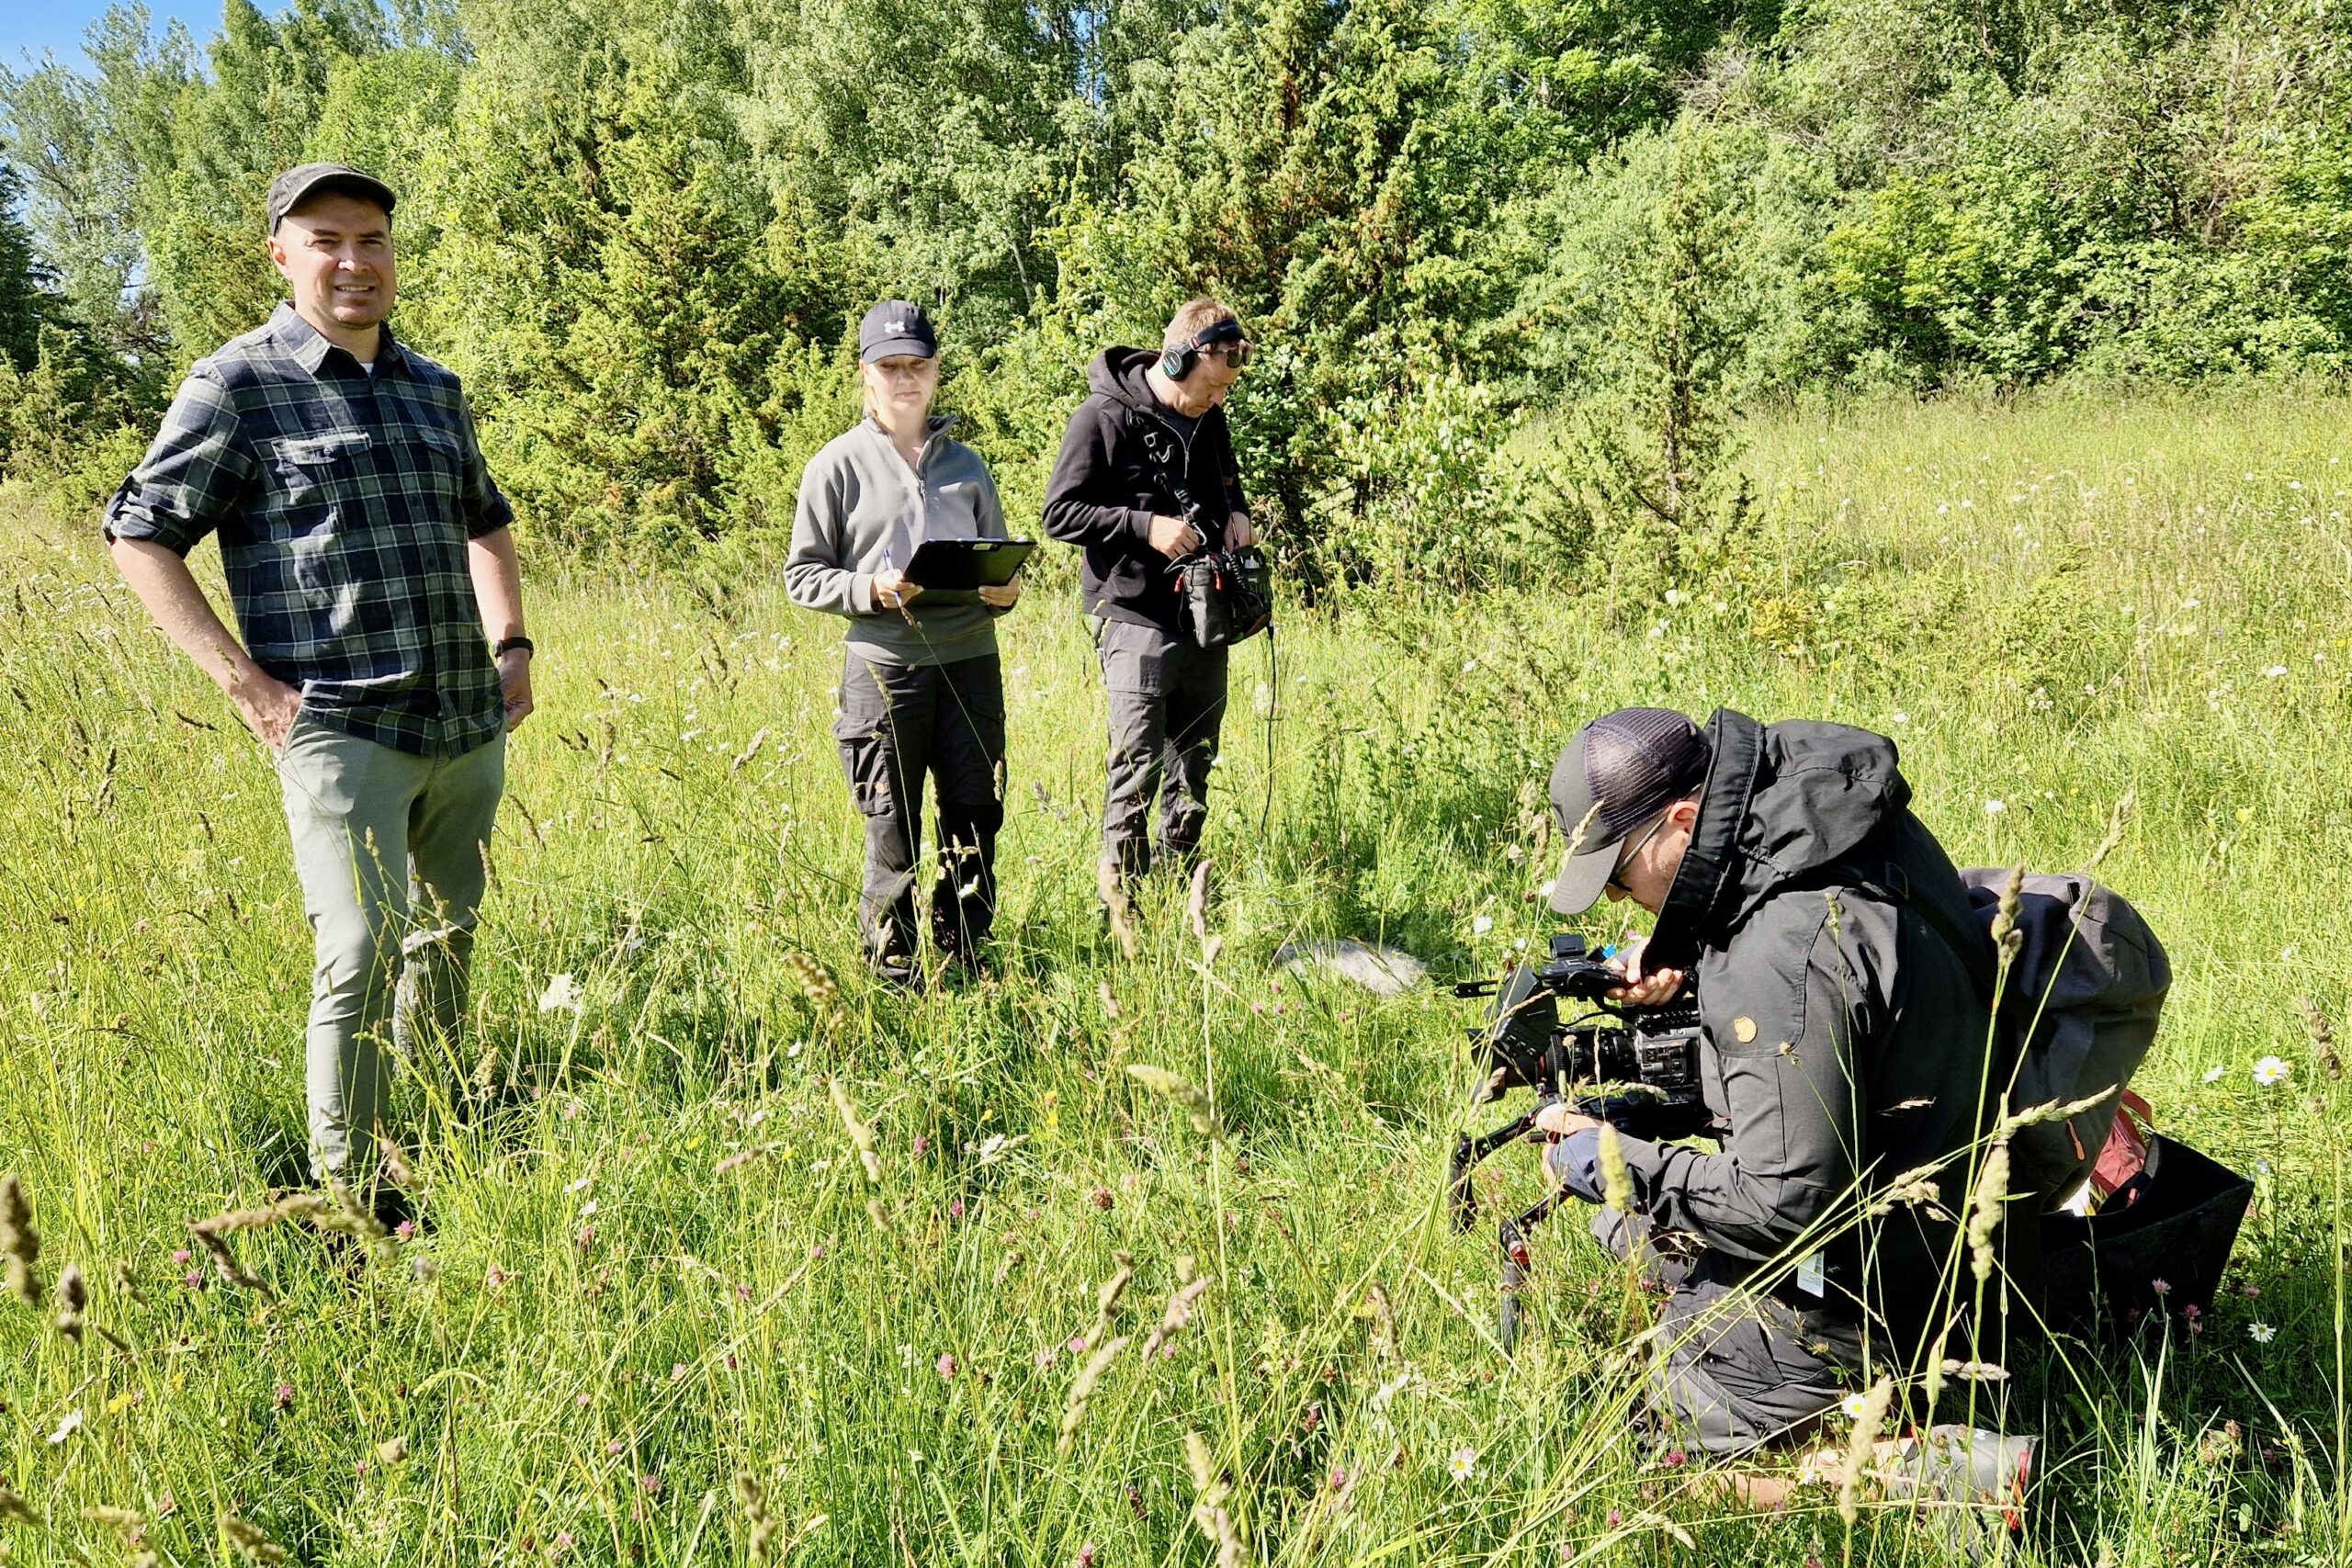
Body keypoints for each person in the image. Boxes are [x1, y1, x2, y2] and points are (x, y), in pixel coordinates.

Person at [104, 164, 530, 1213]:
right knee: (360, 951)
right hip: (341, 726)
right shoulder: (236, 384)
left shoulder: (434, 388)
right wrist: (247, 688)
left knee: (447, 939)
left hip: (464, 720)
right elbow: (139, 534)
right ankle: (354, 1204)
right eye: (326, 240)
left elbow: (485, 519)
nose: (354, 261)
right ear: (281, 255)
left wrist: (512, 646)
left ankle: (440, 1136)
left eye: (371, 238)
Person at [1532, 706, 2019, 1461]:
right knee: (1626, 1236)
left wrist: (1607, 1159)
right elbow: (1846, 1009)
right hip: (1949, 1176)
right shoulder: (1817, 811)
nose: (1621, 902)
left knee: (1624, 1443)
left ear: (1684, 821)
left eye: (1620, 878)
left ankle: (1927, 1474)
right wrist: (1692, 957)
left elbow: (1783, 1204)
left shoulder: (1779, 953)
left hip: (1879, 1279)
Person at [786, 301, 1017, 985]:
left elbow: (998, 559)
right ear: (866, 375)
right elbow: (802, 575)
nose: (905, 379)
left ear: (936, 371)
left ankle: (965, 954)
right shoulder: (835, 465)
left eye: (917, 365)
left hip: (970, 660)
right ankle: (894, 969)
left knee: (976, 812)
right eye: (890, 366)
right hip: (885, 669)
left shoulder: (968, 465)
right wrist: (870, 588)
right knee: (891, 822)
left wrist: (1006, 591)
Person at [1042, 298, 1256, 888]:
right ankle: (1124, 906)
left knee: (1195, 761)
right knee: (1137, 764)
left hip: (1205, 613)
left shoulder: (1210, 418)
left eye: (1226, 390)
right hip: (1133, 611)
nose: (1219, 400)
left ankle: (1178, 890)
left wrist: (1238, 514)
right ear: (1180, 358)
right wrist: (1145, 528)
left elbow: (1228, 484)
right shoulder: (1101, 417)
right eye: (1212, 386)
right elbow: (1059, 513)